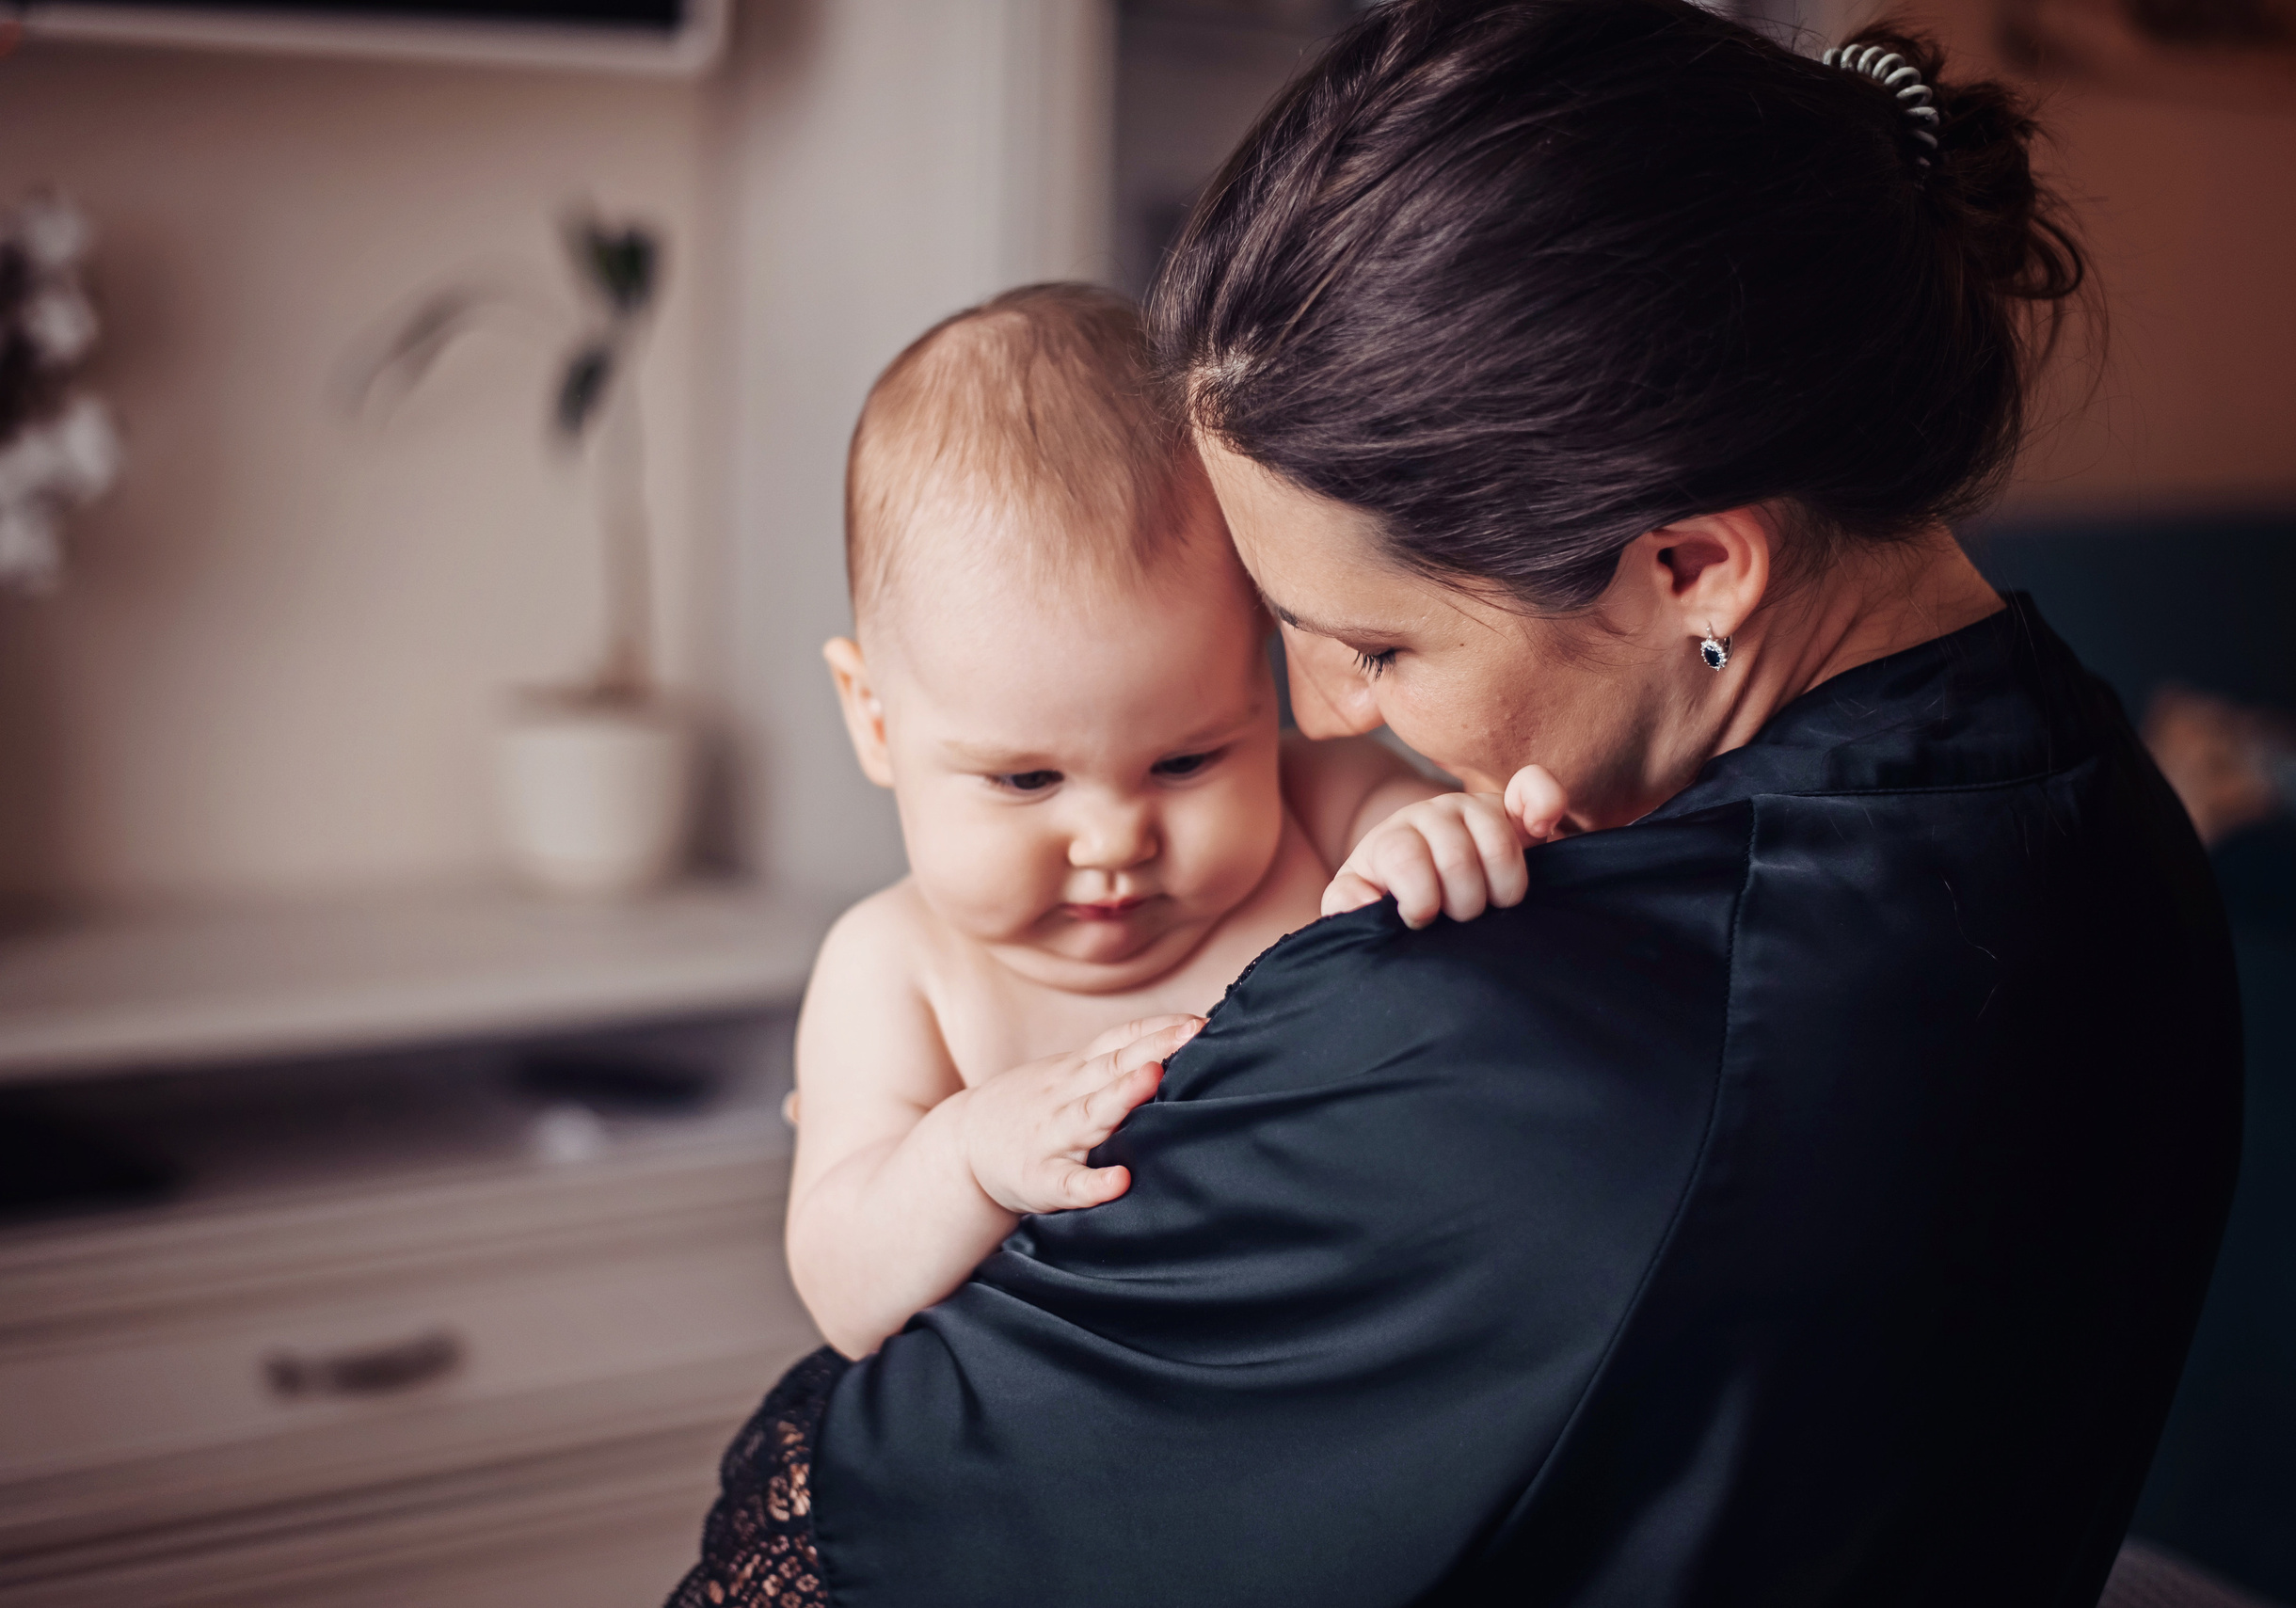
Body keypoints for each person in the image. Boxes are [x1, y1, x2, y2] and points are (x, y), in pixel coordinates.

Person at [672, 2, 2242, 1603]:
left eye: (1378, 645)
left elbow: (864, 1510)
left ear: (1691, 563)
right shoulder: (2114, 820)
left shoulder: (1530, 1023)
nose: (1329, 716)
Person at [789, 283, 1559, 1360]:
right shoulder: (896, 969)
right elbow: (840, 1283)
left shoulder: (1323, 806)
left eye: (1187, 759)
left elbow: (1448, 840)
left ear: (1267, 681)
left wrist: (1436, 842)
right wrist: (964, 1155)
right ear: (874, 718)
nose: (1113, 839)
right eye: (1024, 780)